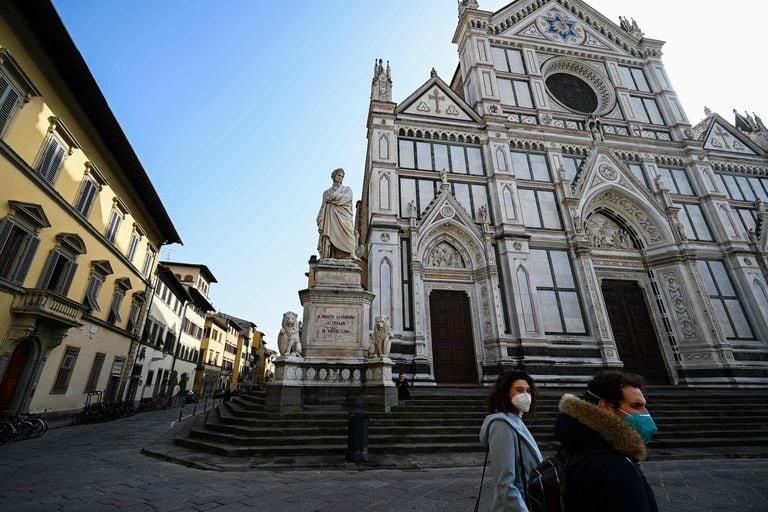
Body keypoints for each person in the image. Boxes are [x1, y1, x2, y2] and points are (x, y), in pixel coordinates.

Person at [555, 370, 658, 512]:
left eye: (644, 406)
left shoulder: (576, 442)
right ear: (606, 407)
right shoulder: (614, 465)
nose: (645, 413)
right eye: (636, 406)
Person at [479, 370, 543, 512]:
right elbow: (505, 482)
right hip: (516, 505)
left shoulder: (516, 421)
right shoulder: (502, 425)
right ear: (506, 393)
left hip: (529, 499)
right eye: (519, 390)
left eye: (528, 391)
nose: (526, 396)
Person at [316, 168, 357, 259]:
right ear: (334, 176)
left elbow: (347, 198)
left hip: (344, 215)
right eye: (338, 175)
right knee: (329, 233)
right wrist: (320, 218)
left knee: (350, 232)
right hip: (330, 215)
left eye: (342, 176)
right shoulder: (326, 192)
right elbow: (323, 205)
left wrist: (332, 198)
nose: (340, 178)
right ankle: (328, 255)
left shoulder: (347, 190)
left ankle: (351, 253)